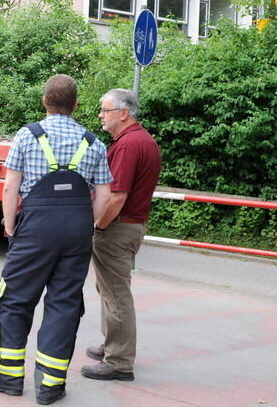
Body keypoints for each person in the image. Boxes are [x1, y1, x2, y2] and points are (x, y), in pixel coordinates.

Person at [0, 74, 111, 406]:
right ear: (76, 105)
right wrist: (85, 224)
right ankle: (50, 386)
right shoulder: (94, 142)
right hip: (77, 231)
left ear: (44, 102)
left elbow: (10, 186)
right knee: (64, 304)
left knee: (15, 300)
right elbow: (105, 195)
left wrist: (9, 226)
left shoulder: (27, 135)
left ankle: (7, 377)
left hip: (35, 228)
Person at [81, 88, 161, 383]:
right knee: (109, 290)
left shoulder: (129, 145)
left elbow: (116, 196)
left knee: (116, 294)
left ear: (124, 113)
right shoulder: (141, 139)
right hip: (128, 226)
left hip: (117, 227)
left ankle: (119, 361)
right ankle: (111, 346)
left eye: (105, 110)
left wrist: (97, 226)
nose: (101, 115)